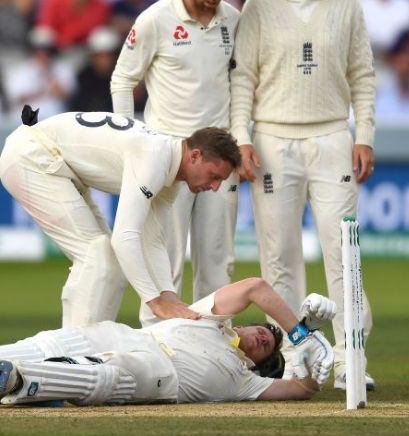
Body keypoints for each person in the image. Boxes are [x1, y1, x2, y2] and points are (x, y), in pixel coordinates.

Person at [232, 0, 376, 390]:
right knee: (279, 255)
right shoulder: (260, 4)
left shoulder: (347, 4)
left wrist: (365, 135)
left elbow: (363, 75)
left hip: (333, 135)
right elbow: (243, 80)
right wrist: (241, 137)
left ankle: (352, 358)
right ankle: (296, 354)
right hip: (273, 138)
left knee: (343, 249)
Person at [0, 110, 240, 328]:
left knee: (106, 260)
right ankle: (74, 360)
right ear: (195, 156)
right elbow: (125, 237)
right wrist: (155, 302)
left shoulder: (170, 170)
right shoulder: (154, 158)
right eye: (214, 176)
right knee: (97, 256)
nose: (216, 186)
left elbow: (153, 240)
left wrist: (168, 294)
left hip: (55, 162)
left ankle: (84, 353)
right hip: (30, 157)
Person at [110, 0, 242, 327]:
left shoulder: (232, 19)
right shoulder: (155, 18)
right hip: (169, 158)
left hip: (217, 159)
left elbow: (241, 84)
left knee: (218, 262)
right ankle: (157, 346)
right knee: (163, 259)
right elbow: (122, 80)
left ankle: (215, 348)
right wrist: (129, 143)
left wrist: (240, 140)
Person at [0, 278, 336, 405]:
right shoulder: (207, 317)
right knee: (53, 344)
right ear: (244, 323)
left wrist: (307, 345)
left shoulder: (245, 382)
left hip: (161, 373)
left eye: (270, 348)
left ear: (263, 366)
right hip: (130, 335)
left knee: (109, 373)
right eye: (265, 329)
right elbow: (255, 288)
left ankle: (15, 379)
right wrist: (296, 331)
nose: (267, 337)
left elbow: (302, 389)